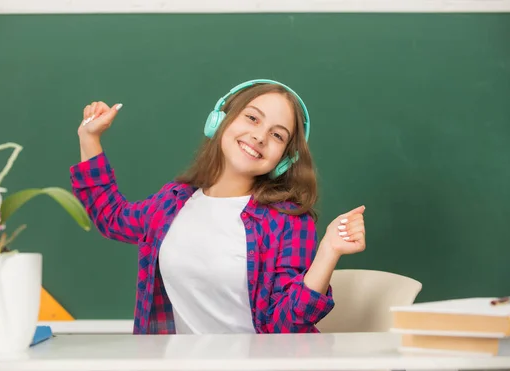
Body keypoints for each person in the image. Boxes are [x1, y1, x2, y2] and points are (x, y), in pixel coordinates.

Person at [70, 79, 366, 335]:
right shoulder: (173, 202)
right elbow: (111, 217)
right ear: (219, 120)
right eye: (252, 118)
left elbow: (285, 327)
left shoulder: (288, 220)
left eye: (277, 135)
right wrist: (89, 137)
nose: (260, 136)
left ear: (284, 159)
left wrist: (328, 252)